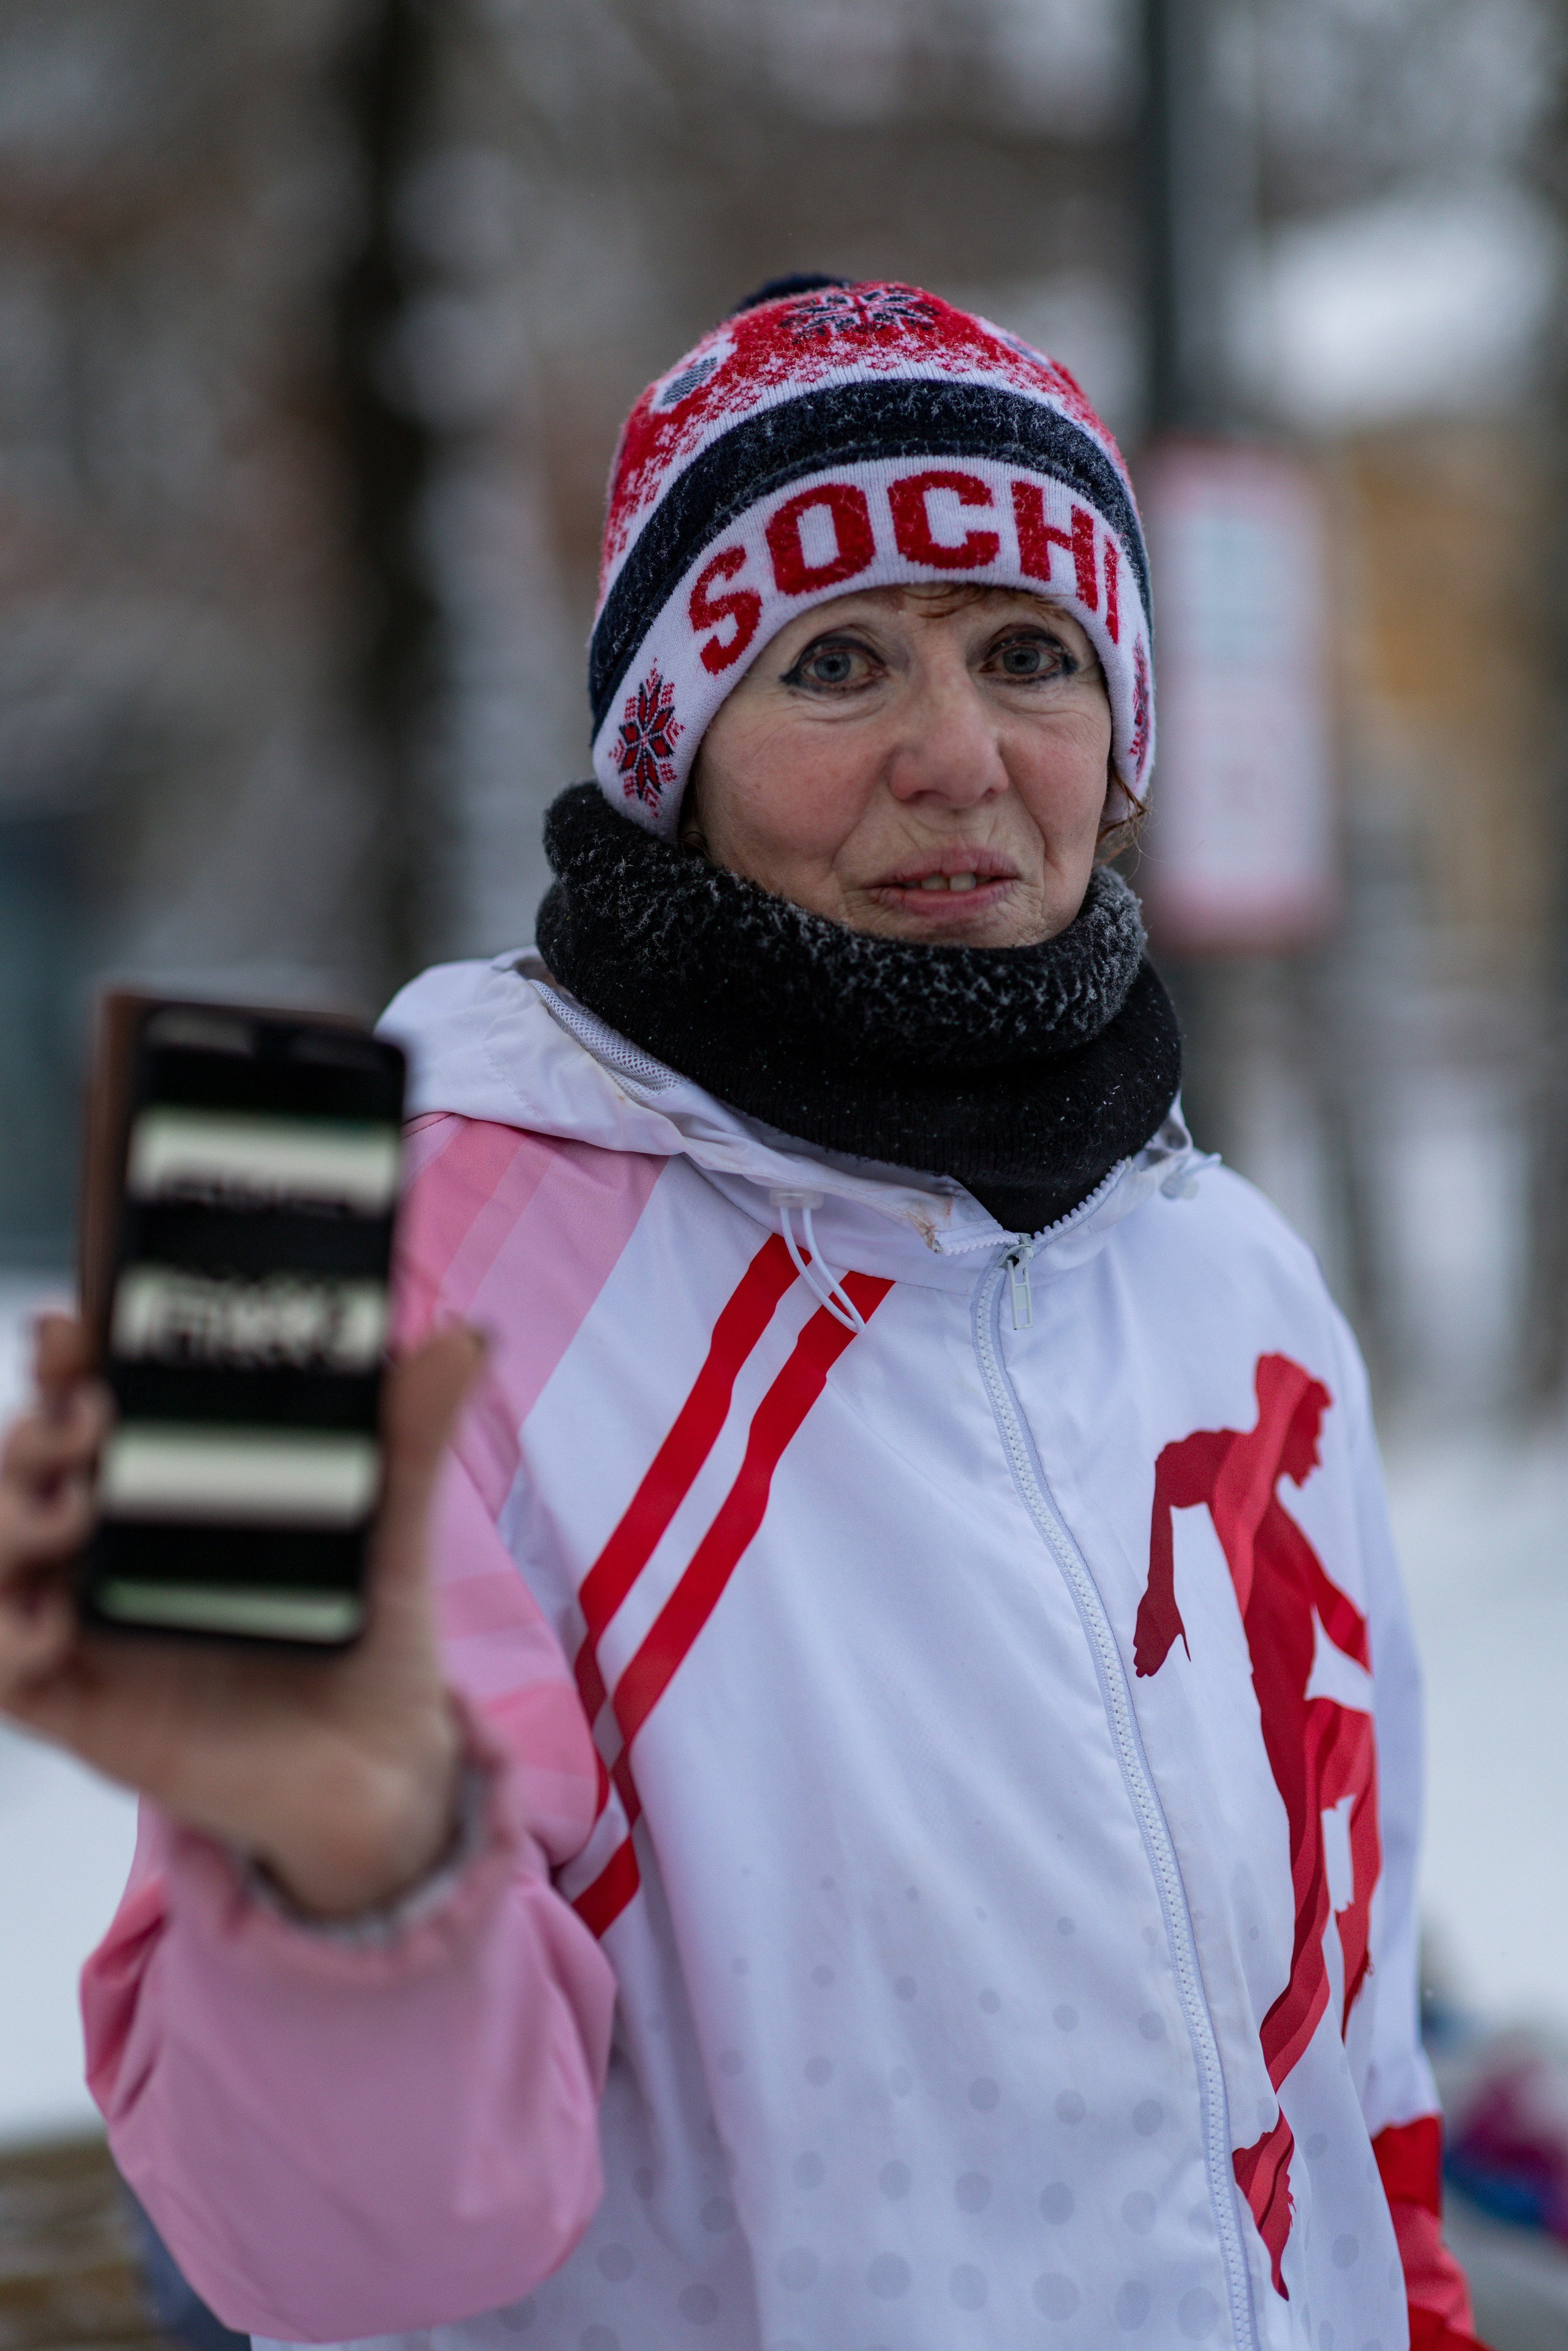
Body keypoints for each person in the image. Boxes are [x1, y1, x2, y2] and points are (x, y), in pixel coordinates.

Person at [0, 276, 1485, 2351]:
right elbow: (340, 2262)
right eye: (839, 658)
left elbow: (1359, 2095)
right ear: (670, 751)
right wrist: (346, 1884)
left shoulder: (1230, 1289)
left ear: (1123, 737)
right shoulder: (356, 1256)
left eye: (1030, 655)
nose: (956, 758)